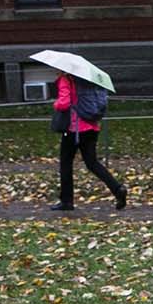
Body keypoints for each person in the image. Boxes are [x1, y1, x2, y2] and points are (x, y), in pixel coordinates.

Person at [51, 73, 127, 211]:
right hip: (92, 126)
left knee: (66, 164)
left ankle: (67, 201)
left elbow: (64, 104)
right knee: (92, 163)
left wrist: (55, 104)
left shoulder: (66, 79)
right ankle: (117, 189)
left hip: (74, 129)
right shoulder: (89, 78)